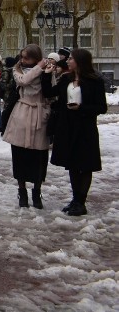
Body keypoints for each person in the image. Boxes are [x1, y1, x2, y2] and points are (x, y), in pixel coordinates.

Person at [42, 48, 107, 216]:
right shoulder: (66, 79)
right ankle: (75, 199)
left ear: (80, 61)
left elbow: (101, 107)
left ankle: (81, 201)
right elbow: (49, 93)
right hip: (67, 126)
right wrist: (46, 74)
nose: (68, 61)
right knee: (72, 164)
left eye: (71, 59)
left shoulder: (94, 81)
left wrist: (82, 108)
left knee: (85, 165)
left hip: (85, 127)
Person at [2, 44, 50, 209]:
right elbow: (24, 81)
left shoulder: (46, 71)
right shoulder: (17, 70)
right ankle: (22, 191)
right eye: (22, 57)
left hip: (39, 115)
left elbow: (50, 91)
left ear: (36, 58)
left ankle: (37, 191)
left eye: (26, 57)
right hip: (22, 113)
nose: (23, 60)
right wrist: (39, 67)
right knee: (19, 155)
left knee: (39, 157)